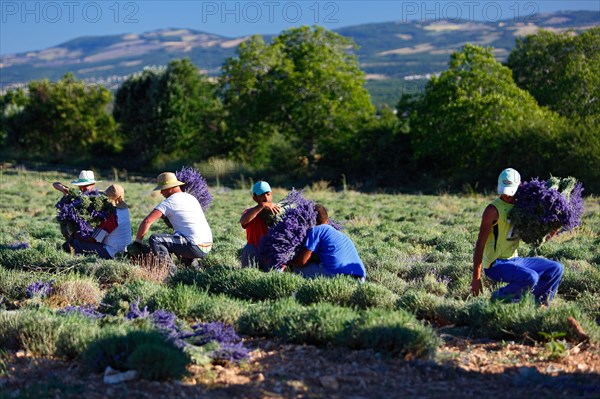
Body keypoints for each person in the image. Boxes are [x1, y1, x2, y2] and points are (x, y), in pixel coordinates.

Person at [471, 168, 564, 305]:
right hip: (495, 264)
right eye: (504, 190)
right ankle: (498, 298)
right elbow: (480, 244)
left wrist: (555, 226)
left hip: (515, 260)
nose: (506, 195)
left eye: (510, 190)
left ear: (519, 186)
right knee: (530, 277)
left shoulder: (524, 208)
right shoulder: (492, 210)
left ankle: (538, 304)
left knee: (556, 268)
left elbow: (538, 239)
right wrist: (476, 278)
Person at [135, 172, 212, 270]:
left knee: (156, 239)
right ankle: (196, 270)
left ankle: (171, 274)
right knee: (179, 238)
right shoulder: (191, 198)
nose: (161, 193)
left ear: (169, 188)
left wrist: (137, 242)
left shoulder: (169, 202)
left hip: (193, 246)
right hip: (206, 245)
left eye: (162, 189)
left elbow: (147, 221)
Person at [289, 204, 367, 281]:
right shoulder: (341, 235)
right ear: (327, 219)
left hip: (338, 276)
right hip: (360, 277)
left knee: (297, 267)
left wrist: (288, 261)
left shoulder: (316, 230)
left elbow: (301, 261)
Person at [68, 184, 132, 259]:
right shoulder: (124, 210)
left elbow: (94, 239)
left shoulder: (112, 216)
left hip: (111, 252)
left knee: (76, 243)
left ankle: (76, 261)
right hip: (123, 250)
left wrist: (77, 235)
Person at [239, 181, 281, 267]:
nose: (265, 197)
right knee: (248, 248)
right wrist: (261, 206)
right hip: (254, 251)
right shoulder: (250, 212)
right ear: (255, 198)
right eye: (261, 195)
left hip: (270, 251)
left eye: (268, 194)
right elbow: (243, 221)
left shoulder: (279, 211)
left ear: (271, 194)